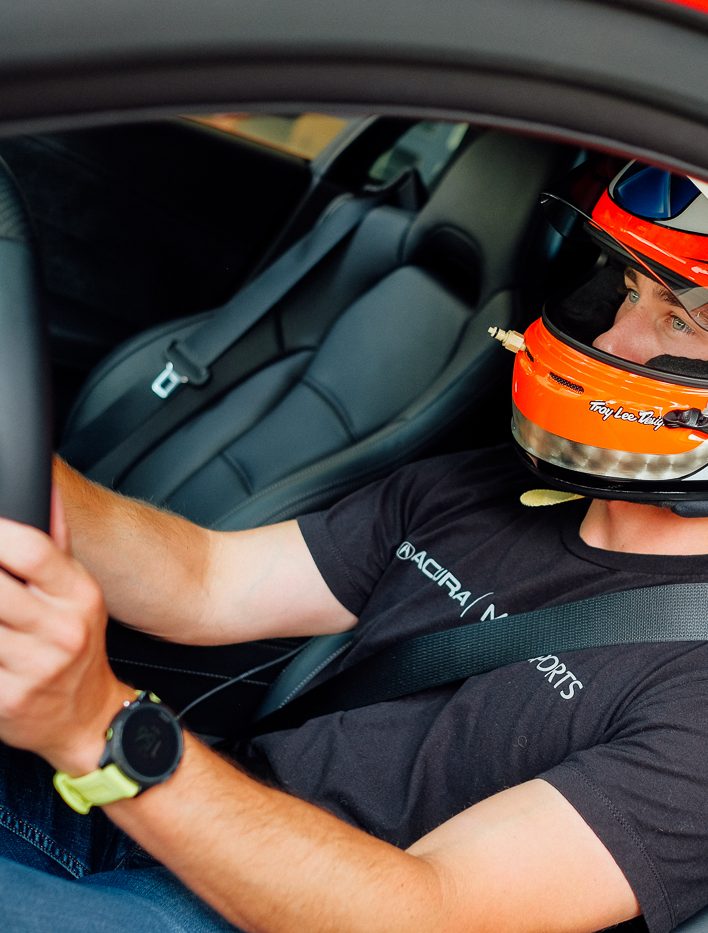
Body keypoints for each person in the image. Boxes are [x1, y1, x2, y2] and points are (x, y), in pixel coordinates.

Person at [0, 161, 708, 933]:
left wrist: (102, 727)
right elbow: (207, 582)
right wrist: (25, 471)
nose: (610, 337)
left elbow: (428, 911)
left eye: (679, 320)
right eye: (630, 292)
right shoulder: (481, 488)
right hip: (198, 815)